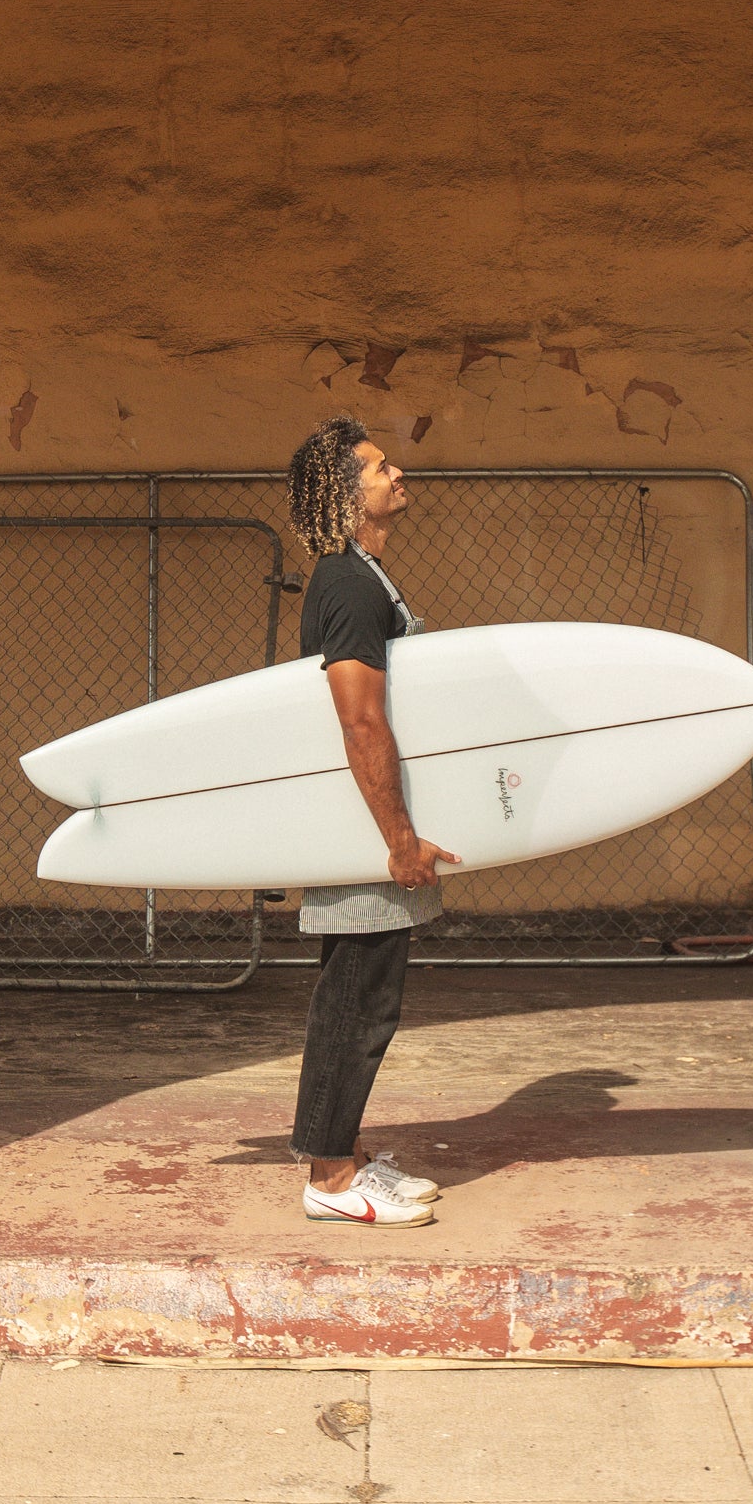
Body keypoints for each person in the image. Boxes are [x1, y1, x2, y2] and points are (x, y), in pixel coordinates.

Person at [284, 417, 457, 1227]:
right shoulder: (349, 586)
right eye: (381, 466)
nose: (397, 472)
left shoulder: (362, 576)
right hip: (366, 833)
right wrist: (398, 840)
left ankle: (345, 1155)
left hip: (370, 825)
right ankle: (330, 1180)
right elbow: (360, 721)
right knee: (356, 1003)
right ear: (347, 494)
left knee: (363, 997)